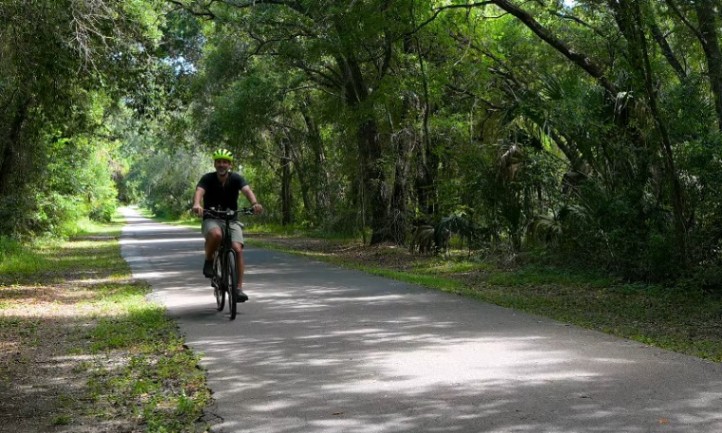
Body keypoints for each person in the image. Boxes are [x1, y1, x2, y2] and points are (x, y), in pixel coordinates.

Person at [192, 148, 263, 302]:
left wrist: (255, 203)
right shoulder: (208, 178)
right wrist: (197, 204)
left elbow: (247, 190)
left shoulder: (236, 178)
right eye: (219, 162)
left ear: (230, 164)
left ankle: (238, 289)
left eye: (225, 162)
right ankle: (209, 260)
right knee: (216, 234)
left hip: (231, 219)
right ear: (215, 164)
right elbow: (199, 191)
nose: (222, 165)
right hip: (211, 218)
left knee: (237, 249)